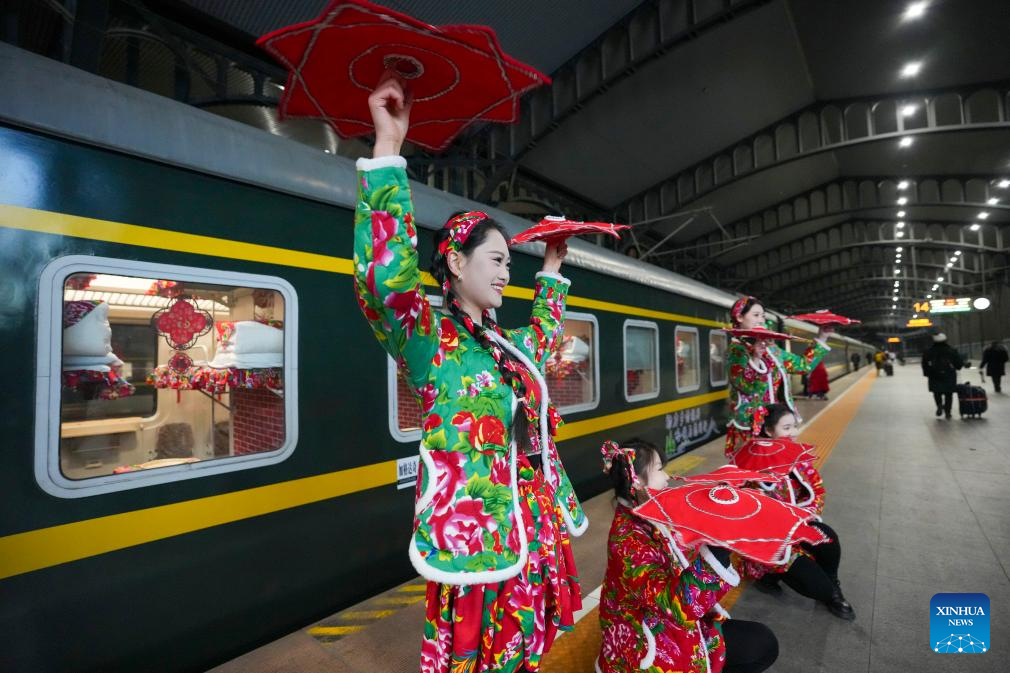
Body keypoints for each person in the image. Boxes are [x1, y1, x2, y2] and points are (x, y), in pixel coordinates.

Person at [353, 72, 586, 673]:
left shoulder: (501, 344)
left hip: (528, 525)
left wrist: (553, 268)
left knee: (522, 648)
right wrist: (387, 155)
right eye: (497, 260)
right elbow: (385, 282)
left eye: (512, 261)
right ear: (455, 262)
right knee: (477, 657)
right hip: (475, 539)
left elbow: (540, 339)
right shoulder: (427, 340)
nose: (509, 273)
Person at [597, 439, 779, 673]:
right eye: (660, 469)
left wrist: (716, 520)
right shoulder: (627, 540)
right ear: (638, 481)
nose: (667, 477)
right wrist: (719, 551)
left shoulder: (647, 515)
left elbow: (684, 553)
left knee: (762, 641)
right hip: (648, 638)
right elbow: (676, 607)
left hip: (666, 621)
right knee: (761, 644)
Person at [739, 405, 854, 621]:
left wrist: (806, 514)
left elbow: (817, 489)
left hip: (798, 524)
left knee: (828, 539)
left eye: (794, 427)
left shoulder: (796, 455)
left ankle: (833, 584)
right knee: (819, 589)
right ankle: (769, 575)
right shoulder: (749, 463)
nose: (793, 433)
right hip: (770, 541)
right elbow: (744, 513)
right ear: (769, 431)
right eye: (786, 428)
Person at [724, 296, 832, 460]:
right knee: (755, 471)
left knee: (778, 465)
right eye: (756, 315)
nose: (761, 320)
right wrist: (755, 358)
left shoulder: (771, 348)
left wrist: (822, 337)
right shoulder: (737, 349)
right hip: (751, 424)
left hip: (777, 422)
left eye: (762, 316)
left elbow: (803, 366)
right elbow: (746, 386)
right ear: (739, 317)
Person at [921, 333, 964, 419]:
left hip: (934, 374)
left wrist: (927, 373)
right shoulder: (951, 350)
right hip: (949, 374)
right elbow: (958, 363)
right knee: (949, 394)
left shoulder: (929, 351)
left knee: (937, 392)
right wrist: (958, 367)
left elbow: (924, 363)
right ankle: (948, 412)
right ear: (945, 340)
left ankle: (939, 405)